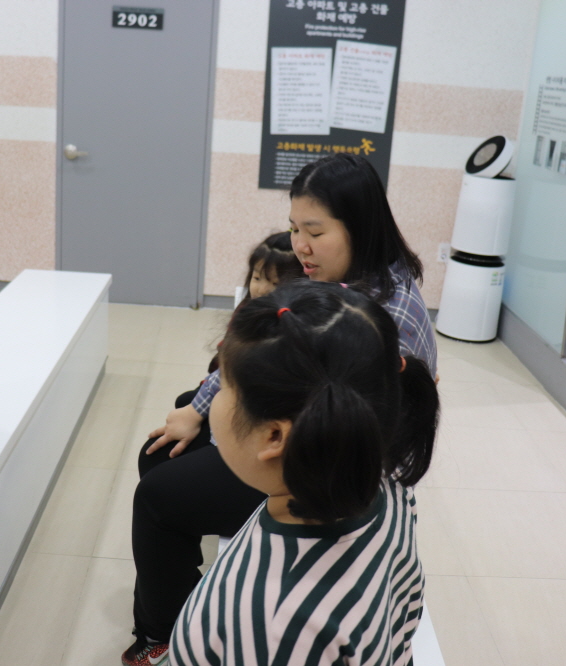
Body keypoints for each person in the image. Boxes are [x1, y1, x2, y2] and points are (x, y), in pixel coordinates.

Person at [123, 155, 437, 665]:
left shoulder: (379, 312)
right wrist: (201, 406)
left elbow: (289, 382)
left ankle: (160, 629)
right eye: (294, 228)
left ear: (360, 226)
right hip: (319, 443)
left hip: (328, 468)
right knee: (168, 443)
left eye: (314, 231)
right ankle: (172, 590)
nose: (299, 246)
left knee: (158, 491)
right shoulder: (364, 281)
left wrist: (209, 403)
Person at [169, 280, 438, 664]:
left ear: (274, 435)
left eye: (224, 387)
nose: (214, 400)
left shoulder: (272, 625)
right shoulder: (382, 480)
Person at [140, 231, 305, 480]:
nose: (262, 289)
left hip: (248, 422)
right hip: (230, 396)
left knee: (157, 475)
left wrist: (196, 411)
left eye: (275, 283)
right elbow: (224, 371)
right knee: (182, 405)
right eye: (257, 277)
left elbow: (233, 378)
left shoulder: (282, 329)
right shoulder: (250, 310)